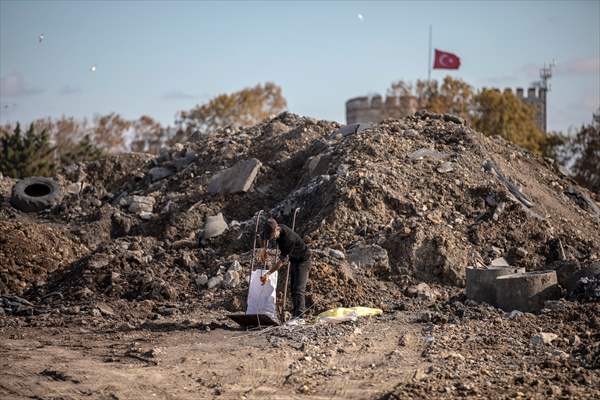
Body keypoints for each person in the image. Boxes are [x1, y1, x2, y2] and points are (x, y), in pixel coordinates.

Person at [258, 217, 311, 319]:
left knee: (298, 289)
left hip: (303, 260)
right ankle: (296, 314)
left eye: (273, 236)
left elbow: (281, 261)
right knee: (293, 289)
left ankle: (300, 317)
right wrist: (263, 250)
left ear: (277, 229)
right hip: (294, 260)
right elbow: (263, 237)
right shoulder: (270, 229)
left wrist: (268, 274)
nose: (272, 238)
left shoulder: (288, 239)